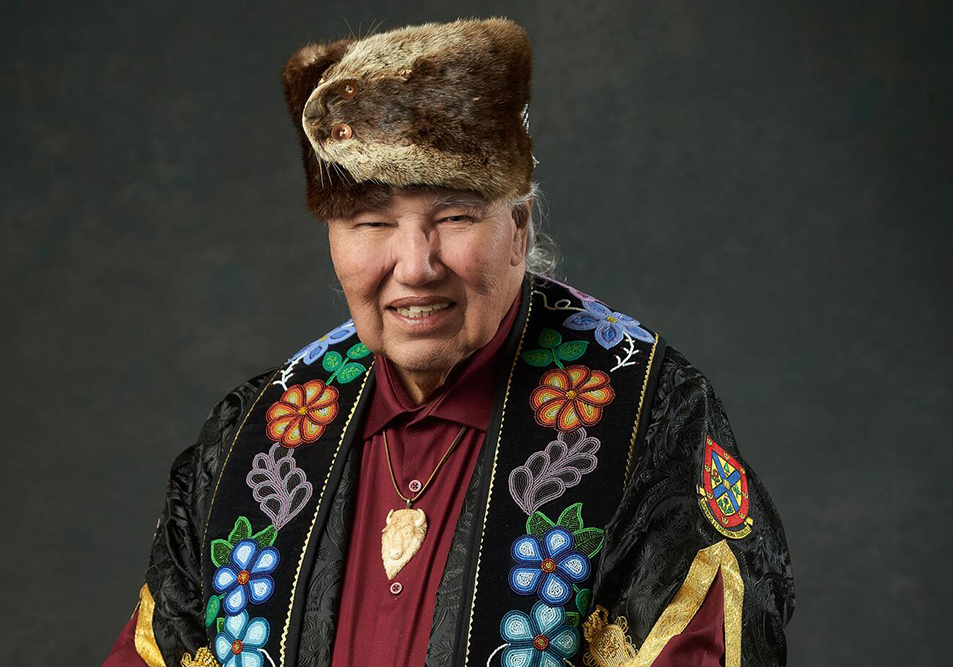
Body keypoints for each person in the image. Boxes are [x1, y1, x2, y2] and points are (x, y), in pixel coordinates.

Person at [102, 17, 794, 667]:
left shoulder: (650, 423)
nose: (415, 264)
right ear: (333, 242)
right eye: (372, 223)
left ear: (519, 225)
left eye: (455, 215)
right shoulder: (248, 442)